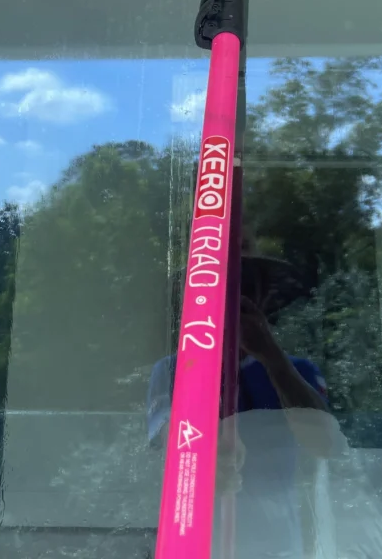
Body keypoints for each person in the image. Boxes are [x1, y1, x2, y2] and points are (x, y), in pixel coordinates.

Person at [147, 233, 346, 558]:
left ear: (264, 298)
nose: (232, 297)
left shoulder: (299, 373)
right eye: (220, 287)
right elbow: (178, 454)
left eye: (246, 285)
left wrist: (271, 356)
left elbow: (324, 445)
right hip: (199, 542)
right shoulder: (173, 371)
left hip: (279, 547)